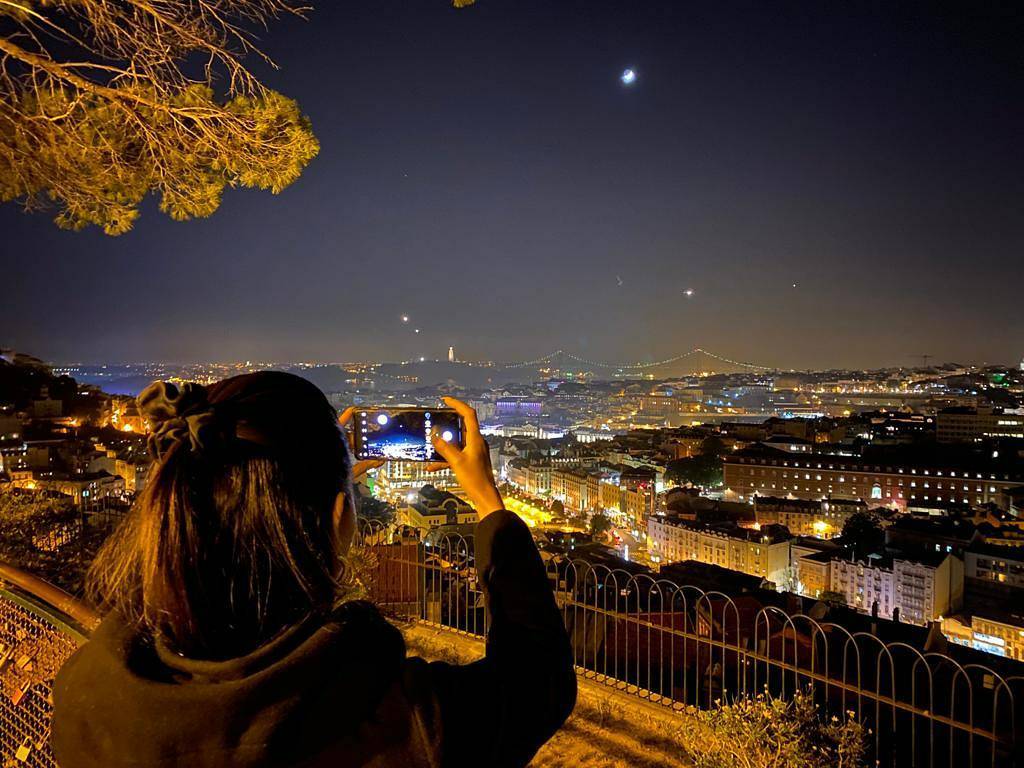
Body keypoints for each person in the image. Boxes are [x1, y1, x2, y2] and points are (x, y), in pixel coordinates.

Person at [51, 372, 575, 768]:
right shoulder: (404, 725)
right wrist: (488, 503)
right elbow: (538, 682)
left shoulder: (86, 693)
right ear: (339, 517)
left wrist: (326, 473)